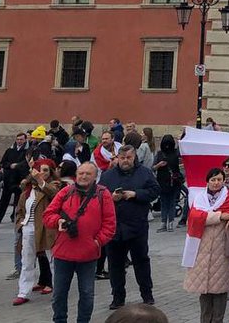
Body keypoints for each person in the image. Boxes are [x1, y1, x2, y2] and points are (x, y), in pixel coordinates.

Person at [44, 162, 117, 323]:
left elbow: (110, 225)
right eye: (81, 173)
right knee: (59, 295)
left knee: (86, 294)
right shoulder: (65, 192)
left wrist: (97, 242)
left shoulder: (103, 194)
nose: (83, 176)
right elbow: (48, 215)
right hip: (63, 253)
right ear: (76, 175)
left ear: (95, 176)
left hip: (88, 254)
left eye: (88, 174)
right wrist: (58, 221)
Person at [100, 144, 159, 308]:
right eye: (122, 158)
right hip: (114, 228)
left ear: (134, 157)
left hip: (137, 225)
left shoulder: (145, 173)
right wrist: (111, 198)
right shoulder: (107, 175)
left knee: (141, 261)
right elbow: (99, 196)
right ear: (117, 158)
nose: (125, 161)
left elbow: (155, 191)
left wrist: (136, 194)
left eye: (129, 157)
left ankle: (147, 294)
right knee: (115, 264)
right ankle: (118, 297)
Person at [183, 166, 229, 323]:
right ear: (207, 181)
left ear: (224, 181)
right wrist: (219, 216)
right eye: (213, 180)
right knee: (204, 290)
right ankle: (204, 320)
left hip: (221, 249)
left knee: (220, 290)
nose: (216, 183)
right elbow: (194, 217)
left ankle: (217, 320)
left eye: (219, 180)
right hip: (201, 248)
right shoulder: (199, 198)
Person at [14, 157, 59, 305]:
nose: (42, 173)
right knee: (27, 260)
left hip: (47, 228)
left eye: (46, 170)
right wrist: (20, 224)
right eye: (39, 170)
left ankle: (58, 289)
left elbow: (54, 194)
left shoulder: (54, 185)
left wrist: (41, 182)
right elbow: (20, 209)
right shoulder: (28, 189)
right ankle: (23, 292)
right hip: (28, 227)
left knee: (53, 260)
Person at [0, 131, 30, 223]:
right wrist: (10, 165)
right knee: (4, 199)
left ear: (25, 140)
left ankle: (15, 217)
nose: (19, 141)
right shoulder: (9, 150)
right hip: (8, 178)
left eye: (21, 139)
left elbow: (27, 163)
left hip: (20, 178)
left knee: (18, 200)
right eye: (18, 139)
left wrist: (17, 165)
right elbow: (3, 162)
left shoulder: (27, 150)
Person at [152, 134, 183, 232]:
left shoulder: (161, 153)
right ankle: (167, 222)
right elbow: (153, 168)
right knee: (168, 202)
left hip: (169, 181)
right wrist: (159, 165)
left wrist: (158, 165)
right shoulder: (172, 153)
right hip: (168, 181)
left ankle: (167, 222)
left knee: (168, 202)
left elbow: (152, 168)